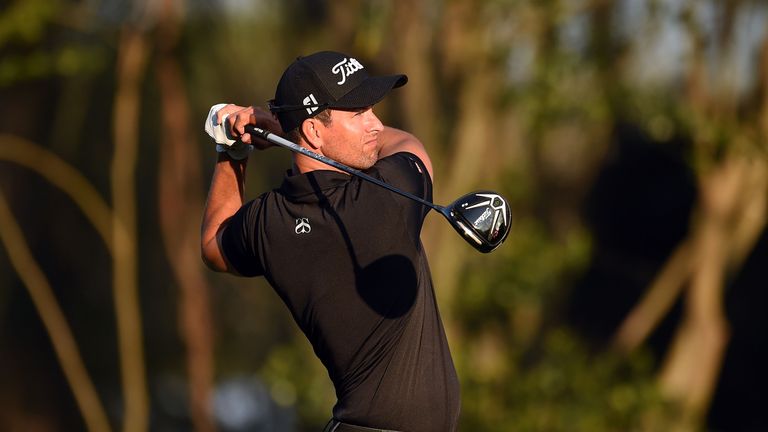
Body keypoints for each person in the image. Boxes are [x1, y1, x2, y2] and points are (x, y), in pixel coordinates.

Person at [201, 51, 459, 432]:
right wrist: (283, 127)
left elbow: (213, 244)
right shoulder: (386, 197)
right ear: (314, 132)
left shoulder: (268, 221)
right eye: (359, 114)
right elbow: (409, 144)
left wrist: (232, 152)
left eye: (373, 110)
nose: (377, 124)